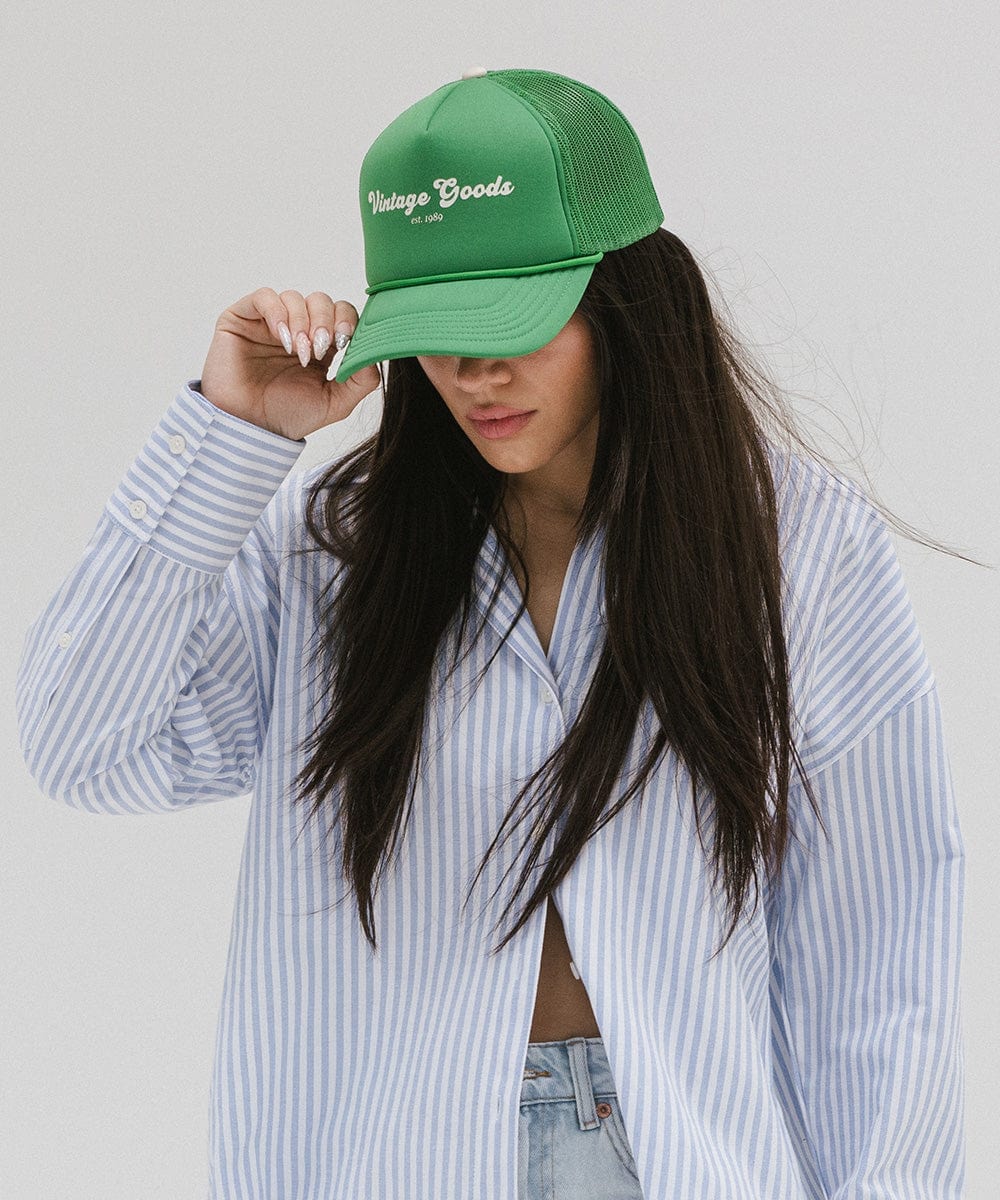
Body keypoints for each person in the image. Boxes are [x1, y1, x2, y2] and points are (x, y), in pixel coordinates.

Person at [15, 67, 965, 1200]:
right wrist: (231, 436)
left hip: (676, 1157)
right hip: (393, 1158)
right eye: (440, 327)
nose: (476, 370)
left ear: (628, 295)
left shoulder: (797, 552)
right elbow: (84, 750)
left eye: (516, 316)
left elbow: (875, 952)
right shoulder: (330, 555)